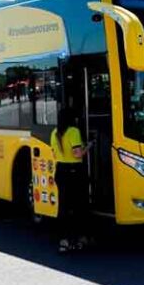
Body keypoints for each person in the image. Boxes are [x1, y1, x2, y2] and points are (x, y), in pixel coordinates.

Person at [51, 107, 93, 253]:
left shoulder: (54, 133)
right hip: (74, 171)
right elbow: (77, 154)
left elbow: (54, 153)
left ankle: (64, 241)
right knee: (78, 206)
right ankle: (80, 239)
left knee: (63, 207)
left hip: (60, 170)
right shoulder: (73, 132)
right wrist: (88, 146)